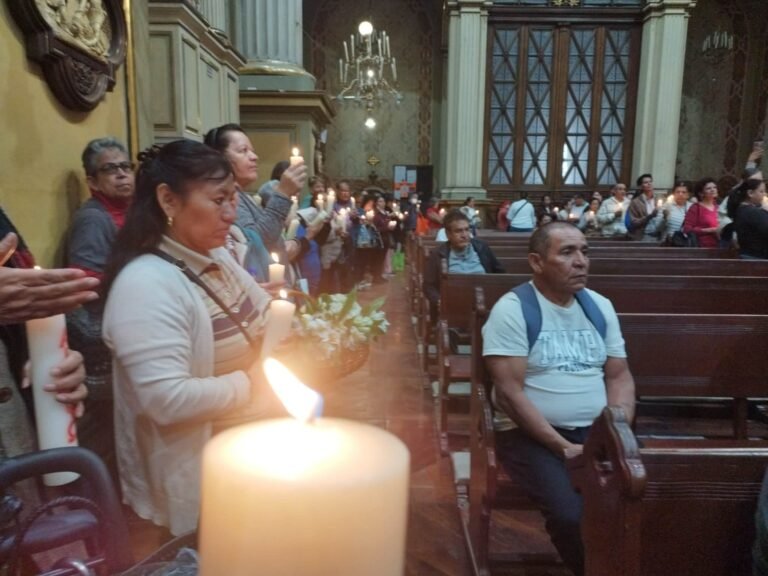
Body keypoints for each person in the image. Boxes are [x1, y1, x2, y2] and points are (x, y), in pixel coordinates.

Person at [101, 140, 276, 536]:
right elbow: (167, 400)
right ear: (168, 200)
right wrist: (254, 383)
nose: (231, 214)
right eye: (219, 200)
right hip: (198, 468)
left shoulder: (215, 255)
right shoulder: (145, 283)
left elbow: (265, 310)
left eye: (234, 198)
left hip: (246, 447)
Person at [482, 222, 635, 576]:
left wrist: (618, 428)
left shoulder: (599, 307)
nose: (581, 261)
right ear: (537, 262)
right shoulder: (513, 309)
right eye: (567, 252)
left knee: (640, 499)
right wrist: (563, 447)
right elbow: (508, 393)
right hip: (531, 435)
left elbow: (619, 375)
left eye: (584, 251)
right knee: (570, 514)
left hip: (599, 431)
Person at [66, 136, 135, 480]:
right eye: (110, 170)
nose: (122, 175)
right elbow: (86, 291)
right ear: (92, 181)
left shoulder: (130, 211)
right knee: (106, 442)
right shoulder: (94, 219)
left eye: (126, 167)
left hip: (120, 333)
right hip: (101, 349)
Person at [203, 124, 306, 254]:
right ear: (220, 157)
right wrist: (283, 194)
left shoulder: (243, 195)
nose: (254, 156)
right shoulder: (227, 201)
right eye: (243, 150)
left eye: (252, 150)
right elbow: (255, 246)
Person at [423, 209, 505, 321]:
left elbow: (500, 274)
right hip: (452, 309)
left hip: (485, 305)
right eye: (458, 231)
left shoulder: (481, 248)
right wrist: (439, 300)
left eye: (467, 230)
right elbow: (428, 285)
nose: (464, 235)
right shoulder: (438, 254)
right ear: (448, 234)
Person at [727, 178, 768, 259]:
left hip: (747, 255)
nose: (765, 195)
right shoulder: (753, 212)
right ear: (750, 193)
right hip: (758, 258)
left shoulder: (741, 209)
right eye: (761, 191)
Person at [683, 177, 720, 247]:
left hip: (719, 246)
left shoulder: (719, 208)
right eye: (708, 188)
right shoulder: (696, 208)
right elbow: (687, 229)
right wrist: (709, 230)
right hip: (701, 247)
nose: (713, 190)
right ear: (701, 193)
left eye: (714, 187)